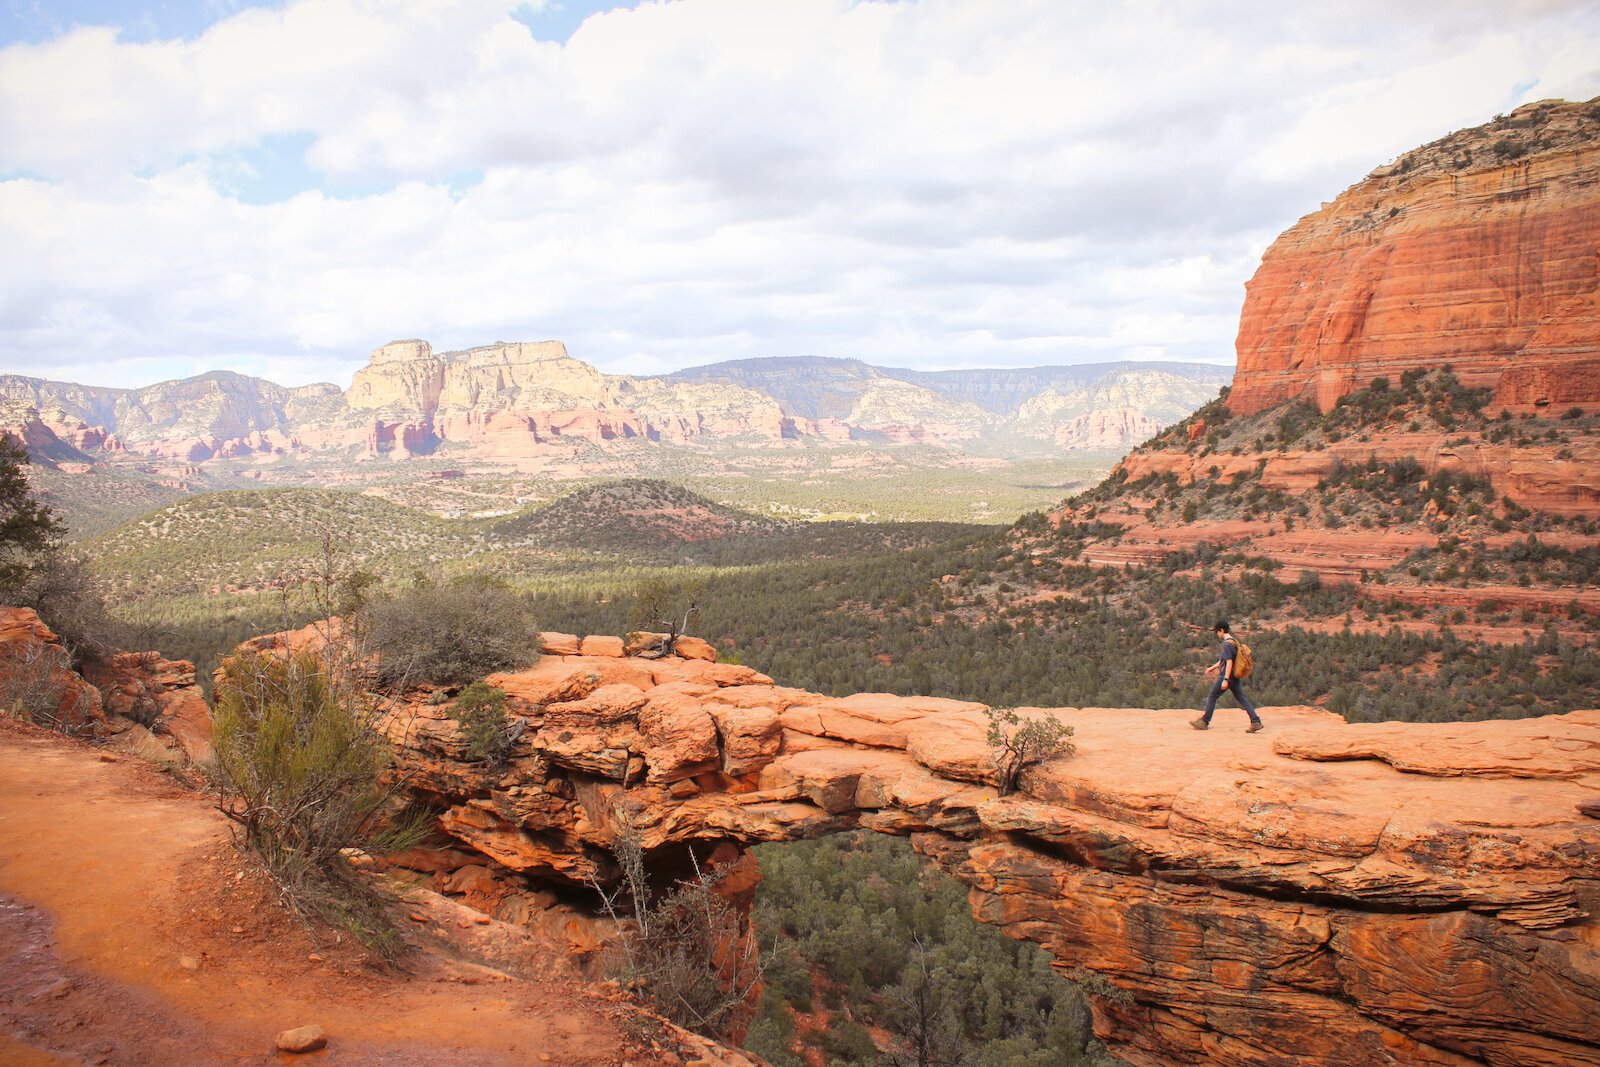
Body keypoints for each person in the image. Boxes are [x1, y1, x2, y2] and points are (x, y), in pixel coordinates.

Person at [1191, 620, 1263, 733]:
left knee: (1212, 696)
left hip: (1227, 676)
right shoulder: (1234, 641)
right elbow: (1224, 660)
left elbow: (1229, 663)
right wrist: (1212, 667)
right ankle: (1256, 721)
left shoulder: (1226, 644)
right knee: (1242, 698)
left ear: (1221, 630)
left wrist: (1225, 679)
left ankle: (1204, 721)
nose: (1217, 634)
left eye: (1217, 632)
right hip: (1234, 676)